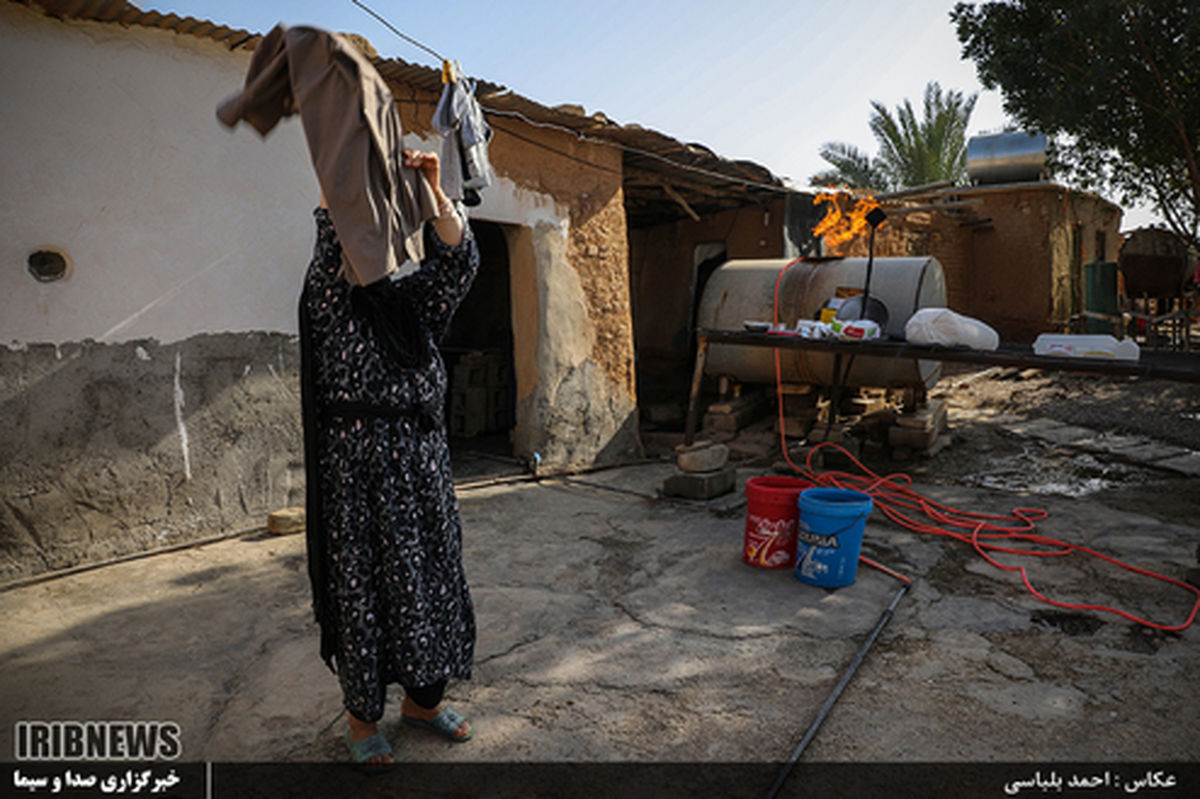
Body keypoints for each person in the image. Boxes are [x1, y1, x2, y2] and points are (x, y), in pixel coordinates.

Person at [301, 149, 479, 771]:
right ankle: (361, 718)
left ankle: (424, 704)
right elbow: (331, 238)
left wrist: (432, 186)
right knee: (366, 594)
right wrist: (341, 174)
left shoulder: (414, 305)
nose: (372, 246)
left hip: (424, 468)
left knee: (428, 585)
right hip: (361, 475)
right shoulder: (332, 302)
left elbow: (459, 260)